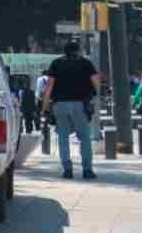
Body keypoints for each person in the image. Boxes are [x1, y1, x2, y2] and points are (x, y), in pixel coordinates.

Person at [42, 40, 101, 180]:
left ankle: (67, 170)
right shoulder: (85, 63)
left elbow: (49, 86)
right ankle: (87, 170)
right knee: (84, 137)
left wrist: (45, 107)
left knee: (63, 138)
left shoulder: (56, 63)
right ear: (78, 50)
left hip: (60, 105)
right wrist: (95, 97)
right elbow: (96, 81)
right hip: (80, 104)